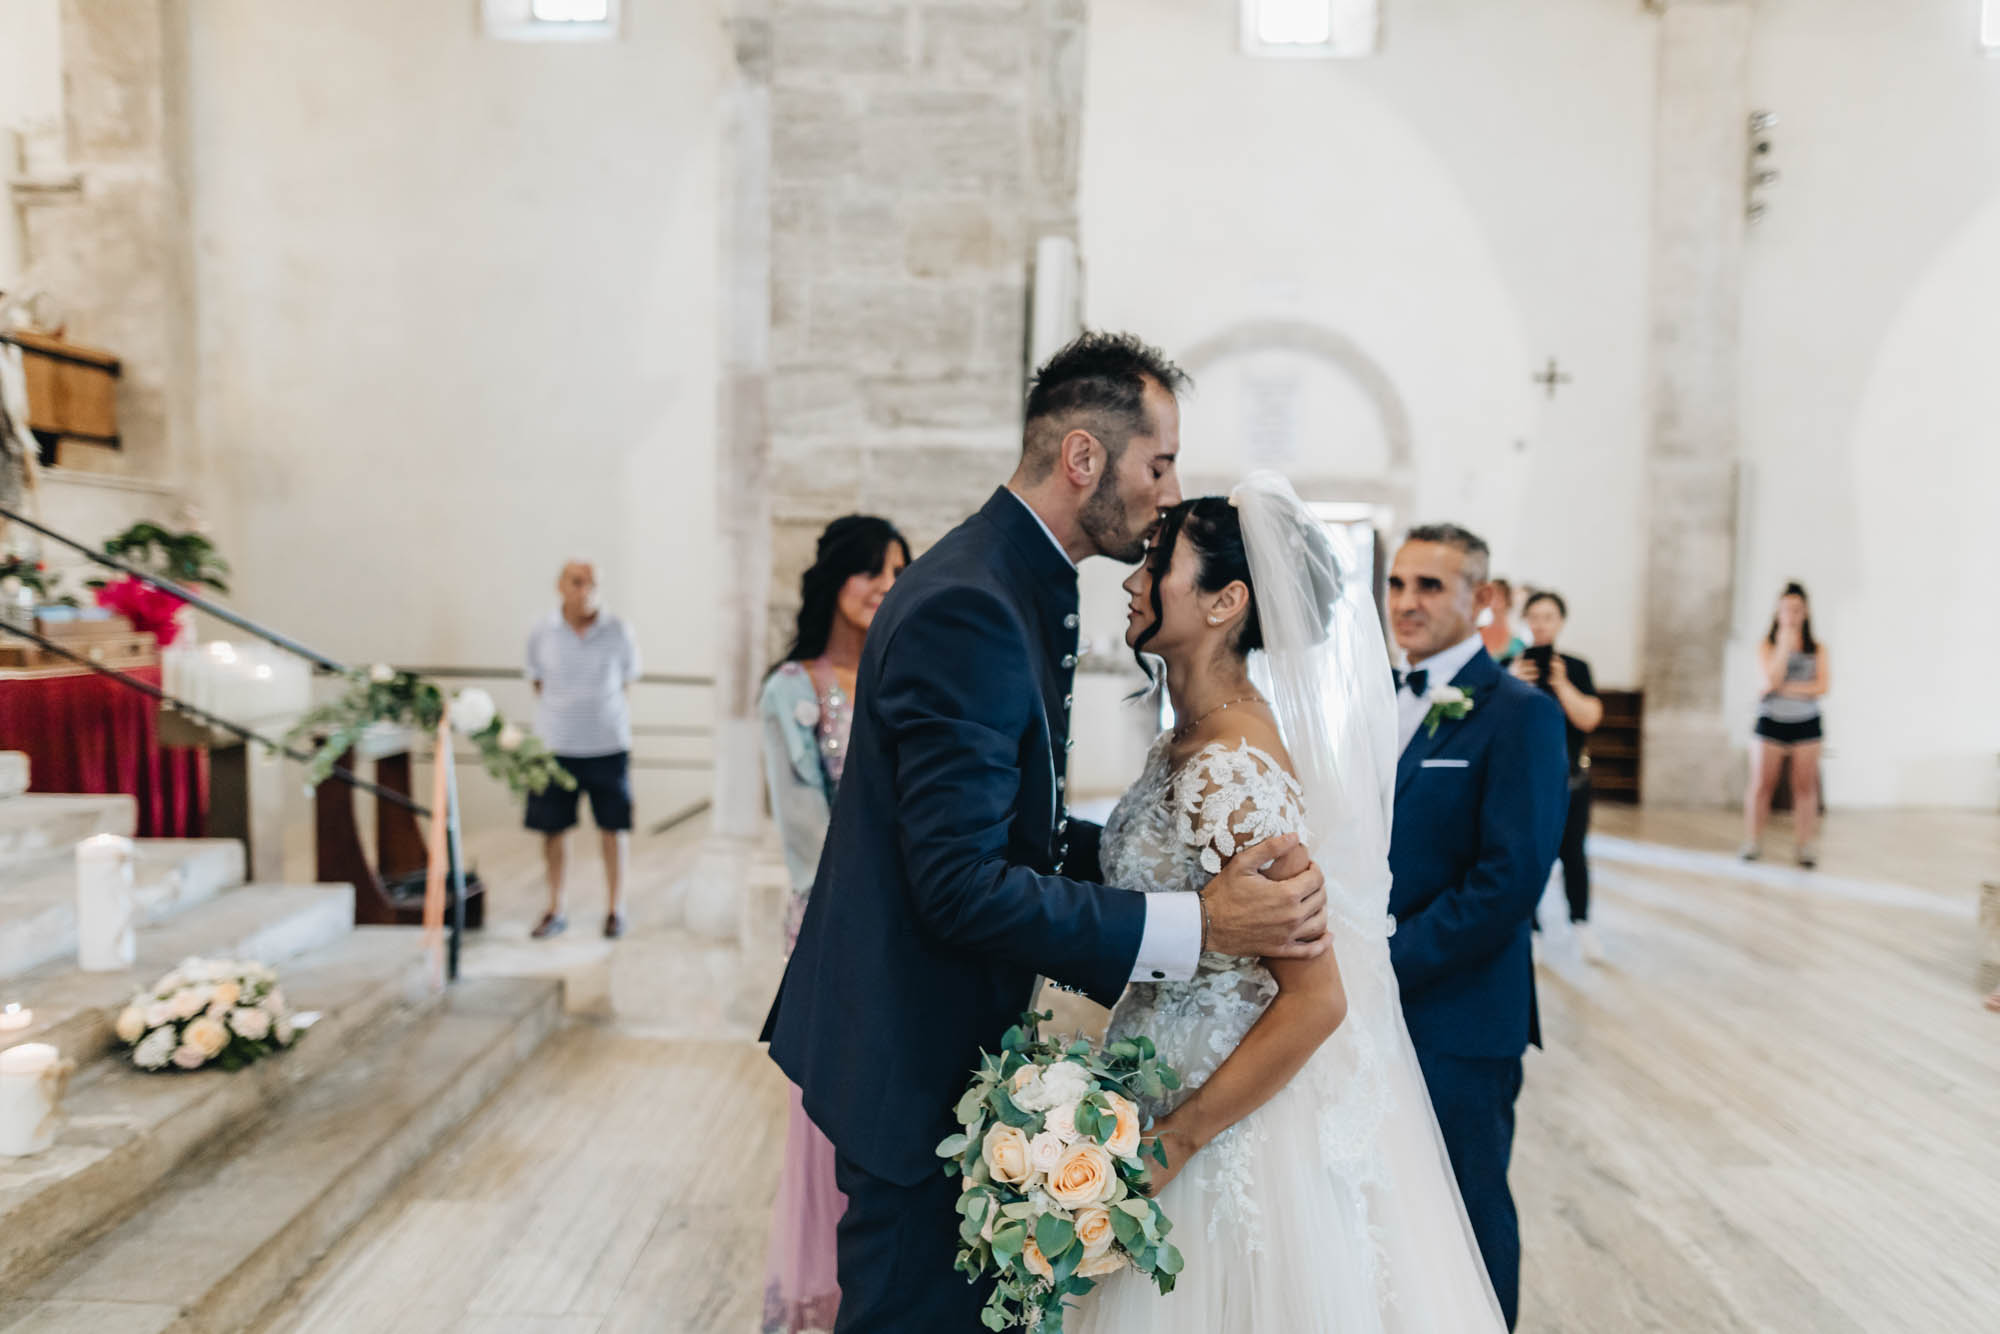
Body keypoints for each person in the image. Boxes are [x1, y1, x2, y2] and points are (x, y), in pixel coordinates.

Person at [761, 332, 1333, 1332]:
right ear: (1083, 457)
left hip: (936, 1046)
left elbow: (1004, 820)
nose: (1168, 492)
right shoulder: (973, 603)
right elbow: (960, 882)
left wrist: (1147, 861)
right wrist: (1198, 923)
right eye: (1158, 464)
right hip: (909, 1063)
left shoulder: (1009, 578)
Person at [1074, 477, 1506, 1334]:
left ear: (1225, 601)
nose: (1131, 580)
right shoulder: (1186, 740)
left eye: (1156, 565)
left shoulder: (1232, 768)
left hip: (1219, 1129)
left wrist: (1176, 1140)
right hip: (1152, 1082)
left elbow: (1317, 999)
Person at [1385, 523, 1569, 1329]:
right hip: (1370, 1006)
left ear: (1483, 598)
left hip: (1461, 1012)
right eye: (1398, 584)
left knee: (1468, 1201)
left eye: (1430, 585)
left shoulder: (1522, 715)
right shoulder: (1376, 698)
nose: (1407, 602)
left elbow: (1508, 882)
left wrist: (1386, 963)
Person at [756, 514, 909, 1334]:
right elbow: (805, 836)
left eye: (899, 571)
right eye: (871, 569)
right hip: (831, 934)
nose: (886, 586)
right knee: (828, 1118)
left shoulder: (903, 676)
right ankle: (825, 1300)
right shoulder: (791, 691)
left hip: (908, 933)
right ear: (834, 578)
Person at [522, 559, 641, 940]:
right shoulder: (542, 631)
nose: (585, 590)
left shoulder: (618, 630)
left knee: (613, 829)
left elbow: (626, 680)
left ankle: (615, 909)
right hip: (556, 747)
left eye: (592, 583)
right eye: (577, 582)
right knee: (553, 830)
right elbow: (537, 681)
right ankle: (555, 907)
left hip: (608, 745)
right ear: (560, 585)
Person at [1507, 590, 1605, 963]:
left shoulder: (1576, 668)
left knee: (1573, 853)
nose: (1540, 624)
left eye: (1548, 617)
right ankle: (1530, 929)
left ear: (1560, 622)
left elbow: (1589, 719)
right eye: (1534, 617)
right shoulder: (1510, 667)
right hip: (1524, 779)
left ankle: (1581, 923)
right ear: (1524, 621)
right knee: (1527, 855)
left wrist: (1561, 684)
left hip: (1571, 779)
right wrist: (1513, 682)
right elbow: (1497, 723)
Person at [1742, 582, 1830, 868]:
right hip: (1771, 722)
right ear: (1778, 613)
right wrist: (1783, 646)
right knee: (1761, 785)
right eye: (1786, 610)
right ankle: (1753, 841)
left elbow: (1822, 687)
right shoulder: (1767, 646)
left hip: (1806, 724)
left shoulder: (1817, 649)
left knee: (1805, 787)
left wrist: (1786, 689)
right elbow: (1769, 682)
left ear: (1806, 612)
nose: (1792, 615)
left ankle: (1804, 846)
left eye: (1797, 610)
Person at [1479, 576, 1526, 661]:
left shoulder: (1518, 643)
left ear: (1508, 599)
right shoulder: (1477, 634)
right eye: (1492, 595)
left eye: (1500, 595)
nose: (1496, 599)